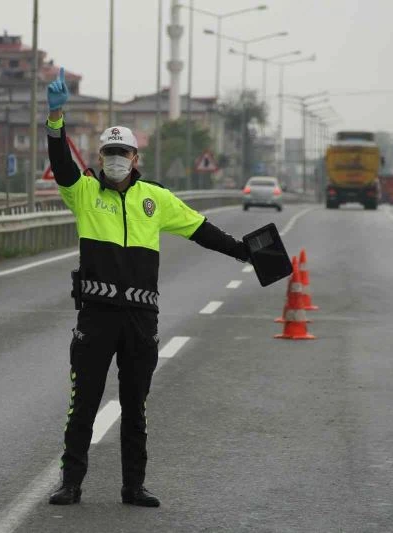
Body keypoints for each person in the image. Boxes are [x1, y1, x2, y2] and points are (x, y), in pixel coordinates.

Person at [46, 67, 250, 507]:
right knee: (83, 405)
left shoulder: (155, 199)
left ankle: (133, 487)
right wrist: (56, 119)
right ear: (99, 156)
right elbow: (61, 165)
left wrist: (243, 251)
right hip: (96, 318)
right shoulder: (84, 193)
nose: (116, 158)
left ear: (135, 158)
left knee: (134, 406)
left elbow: (201, 229)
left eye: (123, 152)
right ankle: (71, 483)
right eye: (109, 152)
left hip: (140, 320)